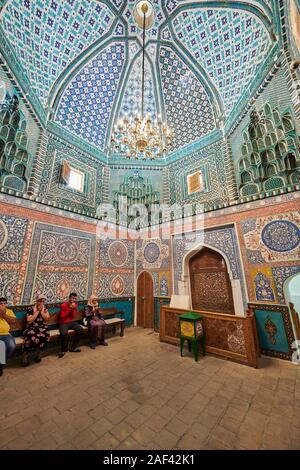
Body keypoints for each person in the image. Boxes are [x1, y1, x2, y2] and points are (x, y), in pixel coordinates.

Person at [21, 294, 50, 367]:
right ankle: (25, 356)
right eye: (40, 301)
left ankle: (39, 354)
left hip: (42, 328)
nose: (41, 303)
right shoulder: (30, 309)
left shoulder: (45, 308)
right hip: (31, 328)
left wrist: (42, 312)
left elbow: (47, 318)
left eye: (43, 301)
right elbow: (29, 321)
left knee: (46, 335)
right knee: (29, 337)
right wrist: (37, 311)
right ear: (36, 301)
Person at [58, 292, 83, 358]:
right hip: (63, 322)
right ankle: (63, 350)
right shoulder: (64, 305)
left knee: (80, 330)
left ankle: (73, 347)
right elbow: (62, 316)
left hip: (71, 322)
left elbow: (73, 316)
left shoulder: (75, 305)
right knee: (63, 333)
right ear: (69, 298)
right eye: (72, 298)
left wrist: (73, 308)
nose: (74, 300)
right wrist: (70, 309)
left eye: (75, 298)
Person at [0, 297, 16, 376]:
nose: (3, 305)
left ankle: (0, 366)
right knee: (1, 347)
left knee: (11, 346)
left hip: (6, 335)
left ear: (6, 304)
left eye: (4, 303)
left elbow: (13, 321)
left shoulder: (9, 311)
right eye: (1, 303)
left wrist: (3, 314)